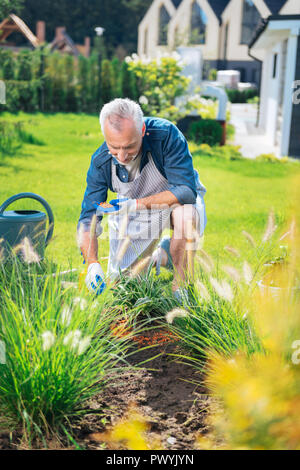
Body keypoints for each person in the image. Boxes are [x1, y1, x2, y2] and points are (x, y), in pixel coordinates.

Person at [77, 98, 207, 303]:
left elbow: (185, 192)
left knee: (185, 216)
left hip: (174, 203)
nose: (121, 156)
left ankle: (181, 289)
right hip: (136, 211)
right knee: (126, 289)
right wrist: (92, 263)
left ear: (142, 129)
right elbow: (88, 219)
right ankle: (162, 256)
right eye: (114, 147)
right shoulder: (101, 161)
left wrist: (134, 205)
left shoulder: (166, 135)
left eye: (129, 146)